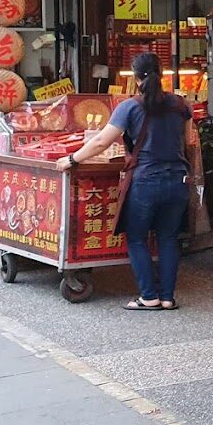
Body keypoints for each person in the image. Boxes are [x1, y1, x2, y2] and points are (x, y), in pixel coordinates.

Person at [57, 53, 191, 311]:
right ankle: (167, 297)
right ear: (160, 74)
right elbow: (187, 142)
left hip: (146, 181)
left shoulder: (130, 106)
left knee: (137, 238)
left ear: (135, 77)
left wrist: (72, 159)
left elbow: (101, 141)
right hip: (178, 180)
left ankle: (148, 296)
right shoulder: (181, 105)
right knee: (168, 238)